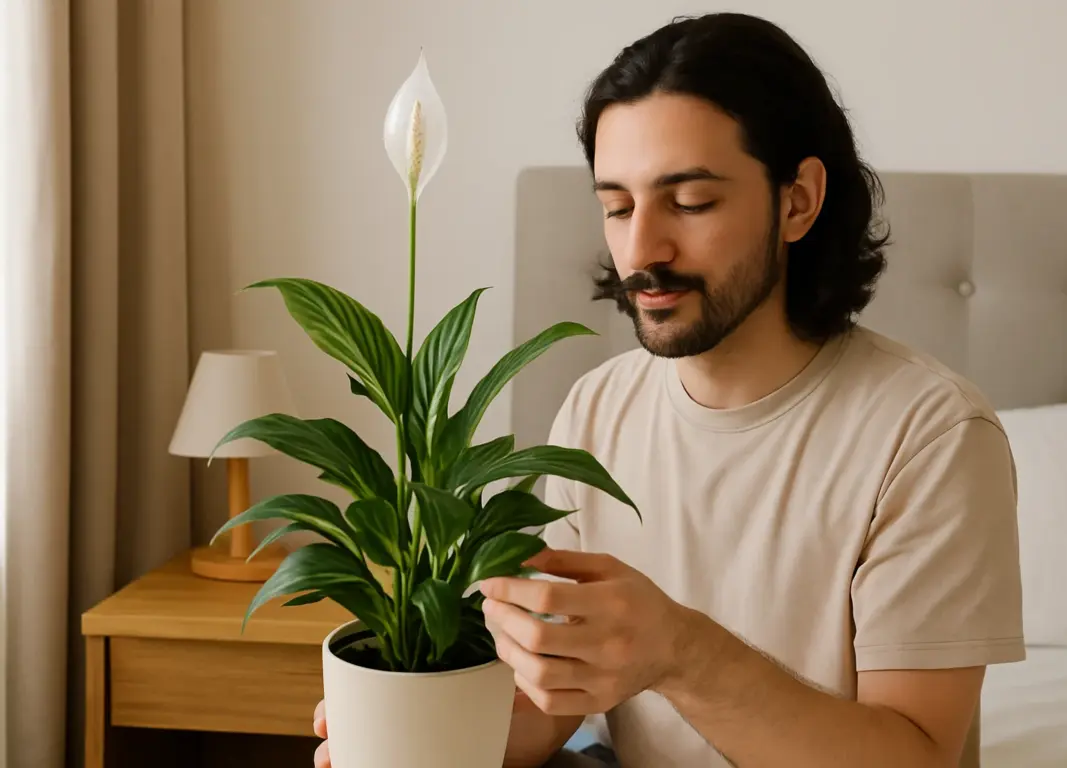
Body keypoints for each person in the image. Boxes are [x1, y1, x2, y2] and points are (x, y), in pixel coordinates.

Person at [315, 11, 1024, 768]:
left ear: (798, 200)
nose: (641, 248)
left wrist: (682, 651)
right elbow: (556, 708)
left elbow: (918, 758)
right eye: (617, 206)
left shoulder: (931, 435)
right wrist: (416, 733)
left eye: (690, 202)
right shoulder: (598, 408)